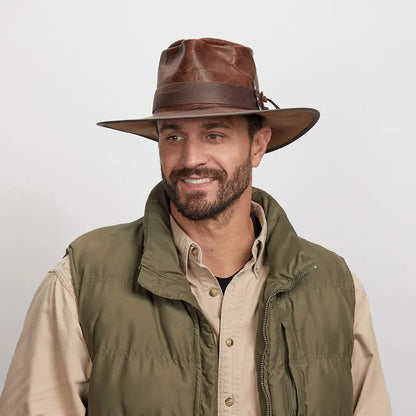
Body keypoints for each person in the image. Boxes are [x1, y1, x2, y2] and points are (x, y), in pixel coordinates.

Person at [0, 38, 391, 416]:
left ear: (258, 146)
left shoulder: (337, 287)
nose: (190, 157)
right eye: (174, 136)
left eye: (214, 134)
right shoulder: (81, 278)